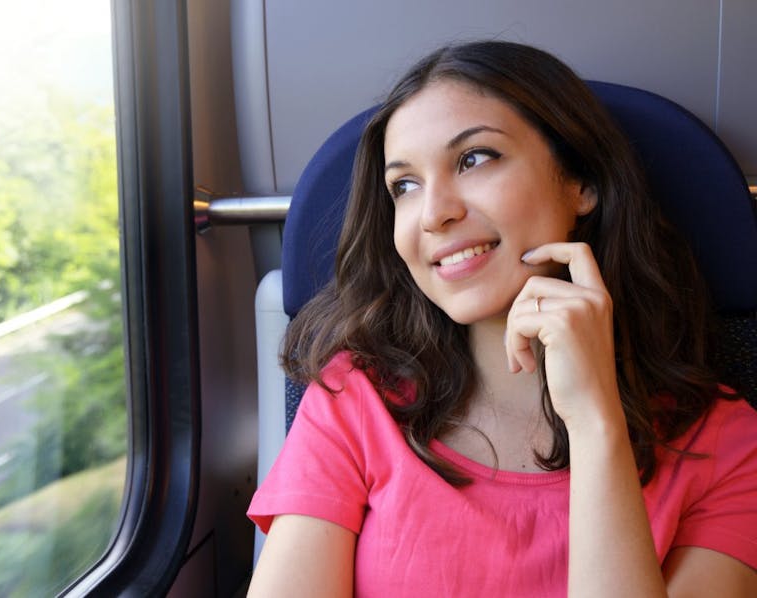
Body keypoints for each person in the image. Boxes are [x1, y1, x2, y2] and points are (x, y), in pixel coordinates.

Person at [246, 41, 757, 597]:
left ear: (580, 182)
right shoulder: (353, 399)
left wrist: (594, 424)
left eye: (474, 159)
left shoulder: (729, 447)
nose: (435, 213)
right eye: (405, 186)